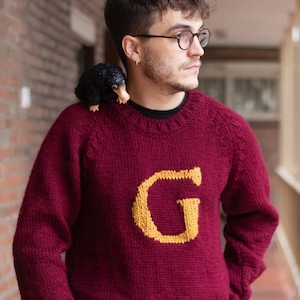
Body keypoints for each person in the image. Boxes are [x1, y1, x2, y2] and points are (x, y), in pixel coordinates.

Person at [13, 0, 279, 299]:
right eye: (181, 36)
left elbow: (256, 218)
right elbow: (37, 241)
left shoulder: (228, 131)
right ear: (133, 48)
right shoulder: (79, 129)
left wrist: (230, 286)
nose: (197, 50)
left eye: (199, 34)